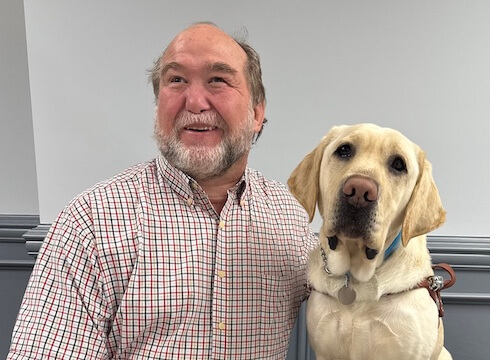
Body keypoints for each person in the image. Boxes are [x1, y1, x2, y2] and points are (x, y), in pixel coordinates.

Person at [8, 22, 317, 359]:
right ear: (158, 107)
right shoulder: (90, 223)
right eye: (176, 80)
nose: (195, 101)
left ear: (257, 113)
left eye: (218, 80)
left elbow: (358, 306)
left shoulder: (292, 219)